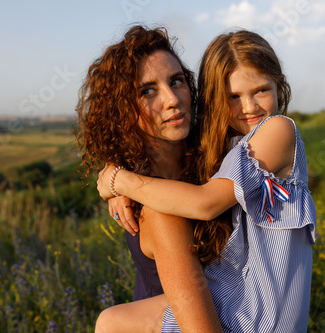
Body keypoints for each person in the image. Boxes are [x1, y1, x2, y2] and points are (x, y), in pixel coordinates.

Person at [98, 29, 317, 332]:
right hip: (240, 306)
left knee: (111, 322)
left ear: (279, 86)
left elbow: (205, 203)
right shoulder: (225, 148)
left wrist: (119, 182)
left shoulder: (277, 131)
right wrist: (115, 172)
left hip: (257, 313)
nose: (250, 107)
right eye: (233, 97)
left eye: (261, 91)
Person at [75, 25, 223, 332]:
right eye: (147, 91)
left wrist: (116, 179)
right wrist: (116, 178)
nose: (172, 99)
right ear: (123, 110)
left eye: (176, 81)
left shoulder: (216, 161)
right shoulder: (157, 210)